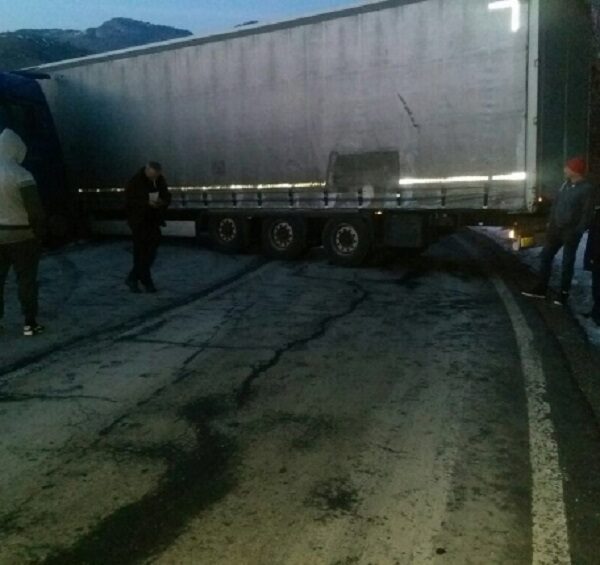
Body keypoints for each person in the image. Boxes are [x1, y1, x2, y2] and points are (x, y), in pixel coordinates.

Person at [523, 157, 595, 305]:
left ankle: (563, 294)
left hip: (570, 231)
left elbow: (586, 213)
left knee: (567, 263)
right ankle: (541, 288)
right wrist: (551, 222)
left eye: (568, 167)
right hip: (556, 229)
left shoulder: (586, 189)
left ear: (575, 171)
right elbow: (556, 204)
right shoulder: (565, 185)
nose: (565, 170)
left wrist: (578, 231)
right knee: (546, 256)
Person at [0, 129, 47, 336]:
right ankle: (29, 323)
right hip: (23, 237)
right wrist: (39, 234)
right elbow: (35, 211)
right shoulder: (21, 174)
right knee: (26, 281)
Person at [125, 162, 171, 293]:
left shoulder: (159, 180)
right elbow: (130, 201)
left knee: (150, 252)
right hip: (139, 221)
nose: (154, 178)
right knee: (141, 252)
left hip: (153, 220)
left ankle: (134, 278)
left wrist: (163, 201)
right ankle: (145, 281)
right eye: (152, 175)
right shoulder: (135, 182)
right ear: (147, 170)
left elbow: (166, 195)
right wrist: (146, 203)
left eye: (156, 175)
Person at [584, 195, 600, 325]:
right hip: (596, 255)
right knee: (596, 286)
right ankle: (596, 312)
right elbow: (593, 235)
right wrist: (588, 256)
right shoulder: (598, 212)